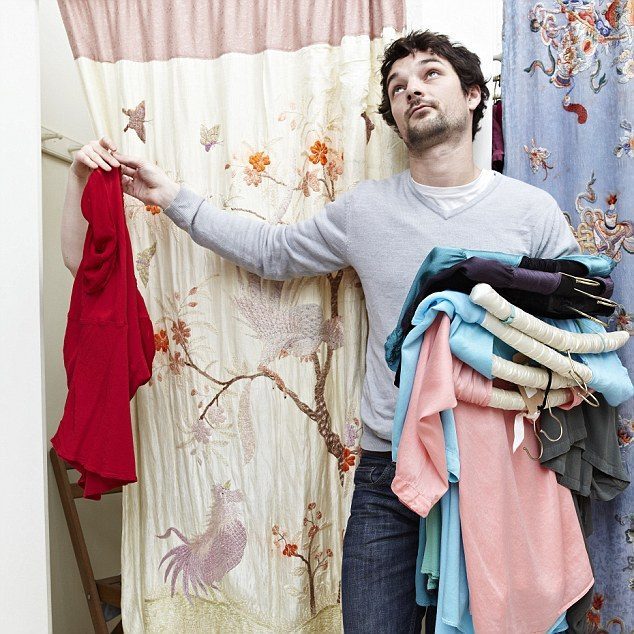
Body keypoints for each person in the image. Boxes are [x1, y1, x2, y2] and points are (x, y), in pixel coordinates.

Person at [61, 30, 580, 633]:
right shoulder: (367, 210)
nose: (412, 89)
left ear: (471, 95)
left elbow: (575, 324)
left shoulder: (531, 212)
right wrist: (169, 196)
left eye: (430, 75)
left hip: (500, 465)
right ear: (393, 119)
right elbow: (273, 252)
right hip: (391, 474)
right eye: (397, 86)